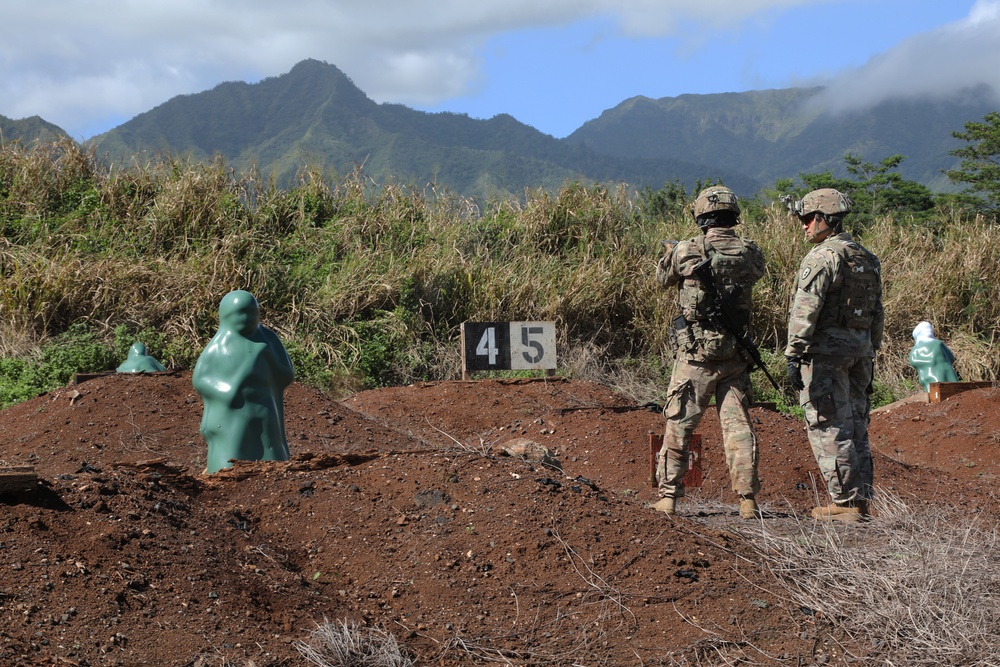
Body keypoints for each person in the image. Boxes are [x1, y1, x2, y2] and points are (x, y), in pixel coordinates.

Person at [652, 185, 765, 520]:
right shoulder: (750, 252)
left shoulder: (688, 249)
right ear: (734, 215)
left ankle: (669, 497)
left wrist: (672, 253)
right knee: (738, 427)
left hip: (696, 355)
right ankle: (747, 500)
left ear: (700, 216)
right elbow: (754, 274)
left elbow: (662, 279)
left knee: (679, 424)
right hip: (735, 354)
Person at [784, 188, 883, 522]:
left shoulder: (822, 257)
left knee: (827, 425)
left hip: (825, 353)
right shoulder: (866, 257)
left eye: (808, 219)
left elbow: (805, 309)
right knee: (857, 426)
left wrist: (793, 353)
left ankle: (845, 504)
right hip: (861, 352)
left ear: (825, 218)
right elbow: (877, 312)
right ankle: (861, 500)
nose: (804, 226)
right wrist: (871, 350)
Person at [193, 290, 295, 474]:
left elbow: (287, 374)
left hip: (265, 406)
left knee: (270, 445)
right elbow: (200, 378)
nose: (246, 318)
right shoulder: (220, 344)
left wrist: (269, 358)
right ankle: (225, 475)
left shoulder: (268, 339)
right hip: (232, 411)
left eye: (251, 313)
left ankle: (275, 476)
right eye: (239, 313)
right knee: (233, 445)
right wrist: (225, 392)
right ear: (226, 315)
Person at [908, 321, 959, 391]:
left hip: (941, 370)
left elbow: (913, 361)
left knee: (948, 387)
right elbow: (913, 361)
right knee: (938, 387)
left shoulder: (939, 343)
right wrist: (930, 362)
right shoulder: (937, 344)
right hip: (931, 372)